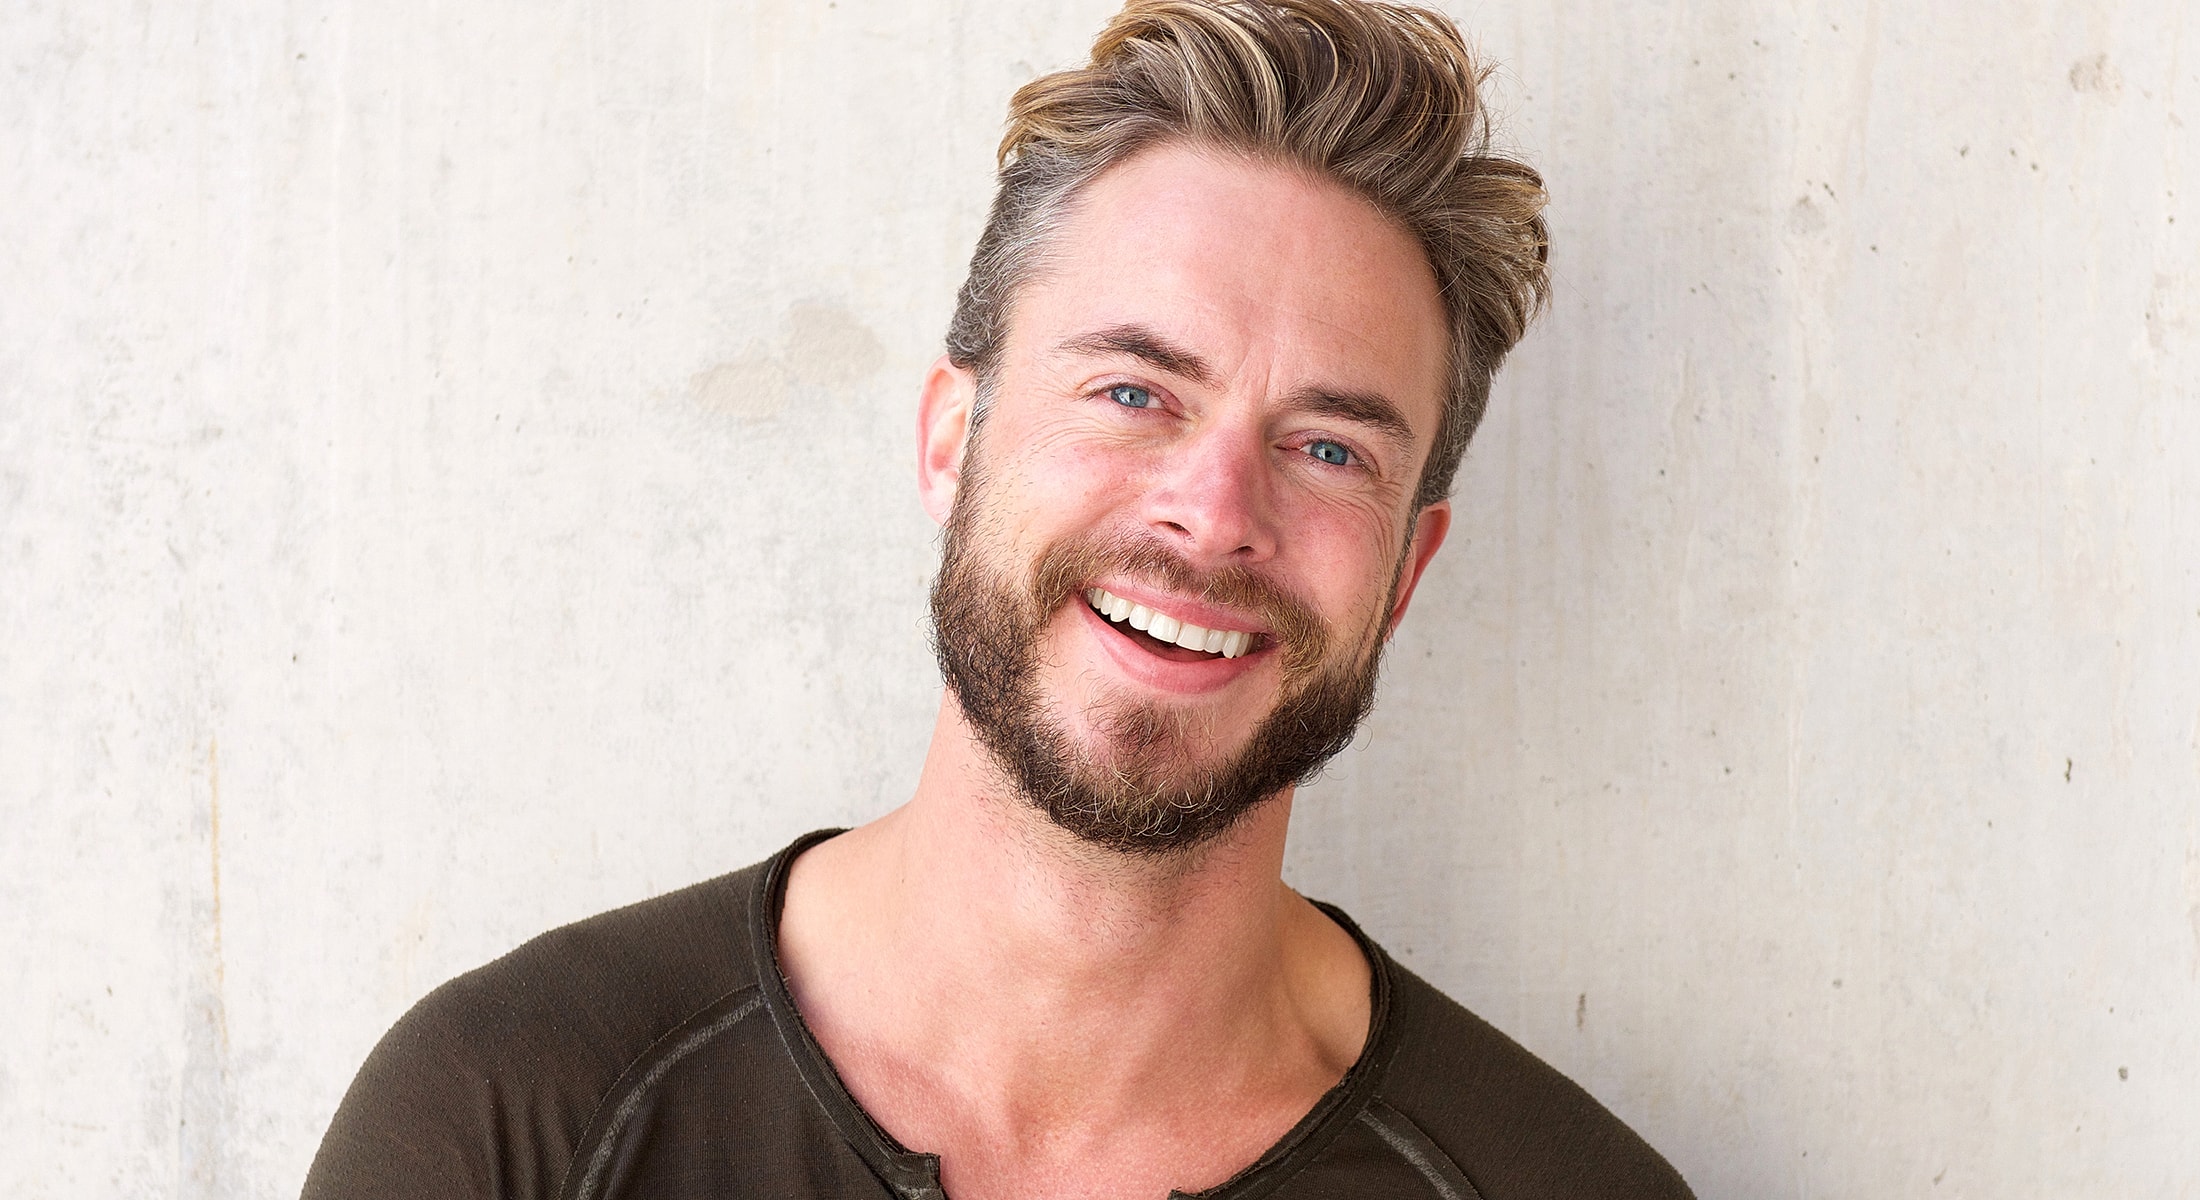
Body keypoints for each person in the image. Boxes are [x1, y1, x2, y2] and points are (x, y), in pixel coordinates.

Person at [303, 2, 1694, 1197]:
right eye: (1133, 391)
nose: (1214, 513)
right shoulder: (517, 1120)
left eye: (1329, 449)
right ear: (949, 443)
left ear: (1404, 573)